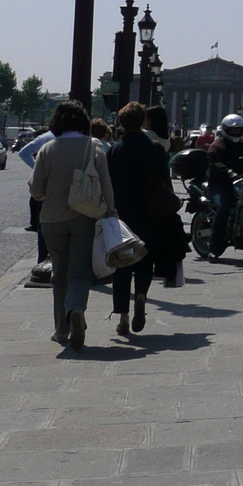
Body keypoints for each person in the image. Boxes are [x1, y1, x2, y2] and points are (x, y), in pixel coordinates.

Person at [30, 99, 116, 350]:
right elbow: (106, 183)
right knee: (79, 271)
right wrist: (111, 211)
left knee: (59, 273)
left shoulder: (47, 148)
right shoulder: (94, 146)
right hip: (84, 216)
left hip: (52, 219)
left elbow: (36, 190)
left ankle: (61, 329)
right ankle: (76, 308)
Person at [108, 102, 182, 338]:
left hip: (122, 213)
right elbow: (165, 183)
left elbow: (108, 183)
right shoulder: (155, 149)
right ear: (142, 121)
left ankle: (123, 318)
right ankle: (141, 295)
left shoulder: (114, 150)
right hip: (149, 213)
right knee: (144, 261)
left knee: (122, 264)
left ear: (121, 123)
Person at [207, 114, 243, 257]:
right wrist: (229, 172)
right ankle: (214, 248)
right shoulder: (217, 145)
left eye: (238, 130)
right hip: (221, 183)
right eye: (233, 130)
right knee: (222, 210)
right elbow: (214, 163)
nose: (236, 133)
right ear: (225, 130)